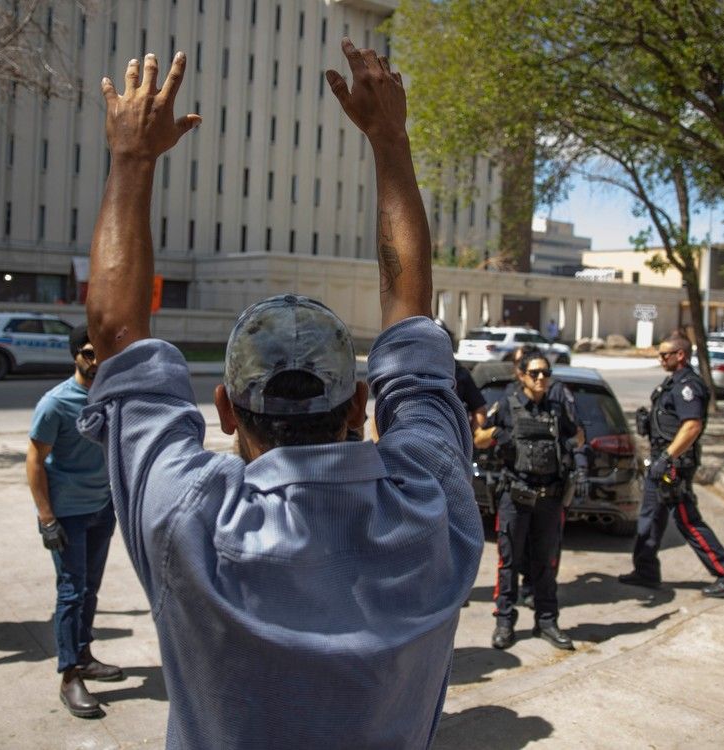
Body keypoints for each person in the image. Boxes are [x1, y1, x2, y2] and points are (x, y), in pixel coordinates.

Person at [76, 40, 483, 748]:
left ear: (225, 410)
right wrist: (391, 139)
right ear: (359, 404)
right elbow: (412, 318)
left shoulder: (190, 520)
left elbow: (113, 331)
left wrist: (131, 159)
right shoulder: (432, 502)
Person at [26, 325, 123, 719]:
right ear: (75, 356)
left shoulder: (112, 398)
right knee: (71, 592)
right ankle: (69, 676)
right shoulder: (55, 403)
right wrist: (46, 517)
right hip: (68, 513)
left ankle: (82, 655)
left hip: (103, 509)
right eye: (88, 353)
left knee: (90, 589)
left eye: (101, 353)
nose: (96, 361)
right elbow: (34, 460)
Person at [475, 353, 586, 651]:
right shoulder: (508, 405)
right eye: (535, 374)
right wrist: (497, 433)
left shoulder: (557, 408)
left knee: (545, 564)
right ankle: (504, 621)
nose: (541, 379)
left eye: (545, 373)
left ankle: (547, 621)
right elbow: (478, 439)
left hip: (549, 498)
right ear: (522, 376)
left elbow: (579, 436)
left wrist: (570, 445)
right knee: (508, 563)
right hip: (516, 495)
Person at [618, 333, 724, 597]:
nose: (660, 359)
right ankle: (646, 571)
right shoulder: (671, 383)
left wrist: (667, 457)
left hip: (674, 465)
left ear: (680, 355)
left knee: (687, 521)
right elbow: (670, 421)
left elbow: (692, 425)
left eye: (664, 355)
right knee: (649, 518)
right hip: (660, 462)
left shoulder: (688, 386)